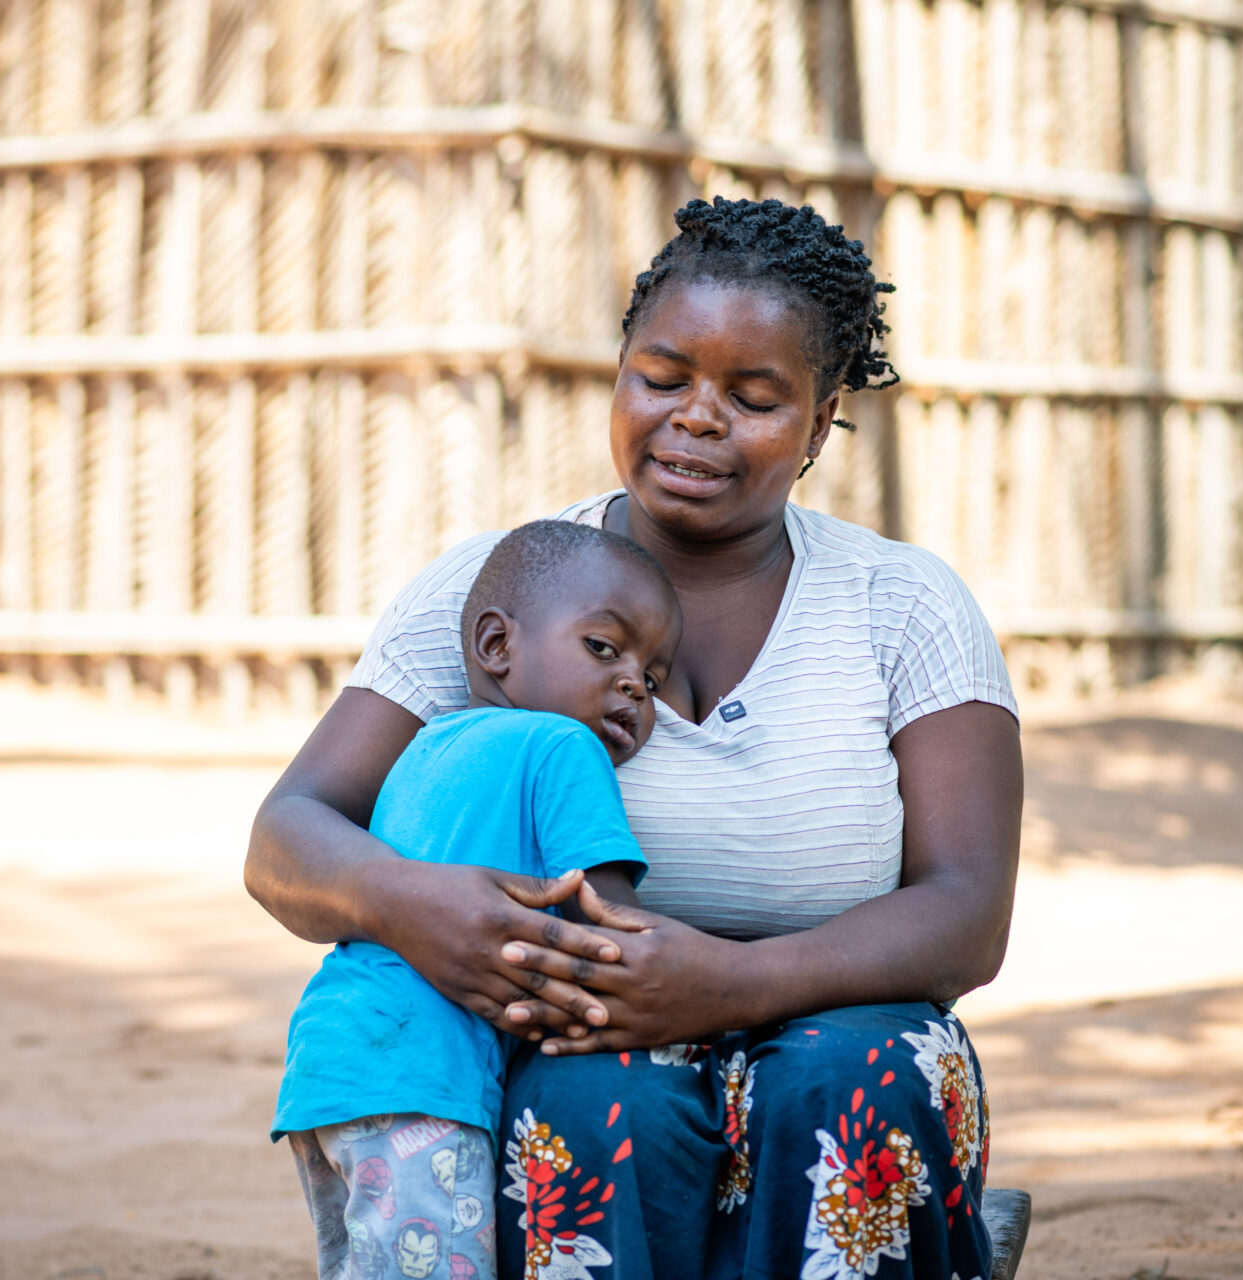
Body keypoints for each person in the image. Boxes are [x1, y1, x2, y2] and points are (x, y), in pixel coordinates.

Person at [246, 196, 1023, 1280]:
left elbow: (967, 910)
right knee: (589, 1096)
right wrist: (417, 904)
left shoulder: (904, 608)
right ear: (620, 370)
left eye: (754, 397)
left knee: (852, 1077)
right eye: (664, 376)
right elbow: (287, 834)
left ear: (822, 414)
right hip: (588, 1043)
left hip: (845, 1027)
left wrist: (735, 983)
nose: (697, 417)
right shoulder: (504, 590)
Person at [274, 519, 683, 1280]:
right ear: (496, 646)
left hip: (338, 1059)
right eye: (603, 648)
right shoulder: (563, 747)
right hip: (426, 1080)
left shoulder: (427, 743)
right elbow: (616, 927)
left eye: (652, 679)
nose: (632, 682)